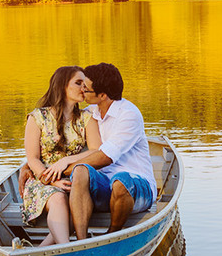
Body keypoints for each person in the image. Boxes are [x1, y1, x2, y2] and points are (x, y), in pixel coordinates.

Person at [49, 62, 157, 239]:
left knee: (120, 181)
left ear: (102, 95)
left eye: (87, 88)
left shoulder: (129, 114)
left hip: (137, 184)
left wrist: (62, 171)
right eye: (81, 85)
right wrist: (29, 166)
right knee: (81, 170)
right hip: (103, 184)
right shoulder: (90, 113)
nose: (82, 90)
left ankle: (112, 234)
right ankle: (81, 241)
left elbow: (105, 157)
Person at [20, 66, 100, 246]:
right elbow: (32, 158)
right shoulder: (37, 117)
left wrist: (66, 161)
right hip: (42, 180)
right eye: (78, 83)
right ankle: (66, 248)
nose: (84, 88)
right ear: (63, 86)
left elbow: (96, 151)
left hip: (74, 177)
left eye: (85, 83)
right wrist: (50, 180)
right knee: (58, 198)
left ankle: (40, 249)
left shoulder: (86, 118)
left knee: (76, 200)